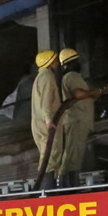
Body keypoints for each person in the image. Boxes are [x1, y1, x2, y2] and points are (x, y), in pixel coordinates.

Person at [55, 48, 108, 188]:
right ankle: (67, 188)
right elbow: (79, 94)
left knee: (75, 155)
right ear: (72, 63)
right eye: (77, 60)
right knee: (72, 156)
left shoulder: (73, 77)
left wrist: (102, 91)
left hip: (78, 120)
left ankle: (68, 186)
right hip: (76, 120)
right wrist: (98, 91)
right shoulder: (72, 76)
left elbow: (87, 94)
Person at [29, 50, 64, 190]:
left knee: (47, 157)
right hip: (47, 125)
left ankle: (47, 190)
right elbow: (46, 102)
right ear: (49, 63)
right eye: (55, 60)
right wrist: (50, 121)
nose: (57, 63)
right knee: (50, 159)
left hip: (39, 123)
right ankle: (47, 192)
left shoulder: (40, 77)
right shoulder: (47, 77)